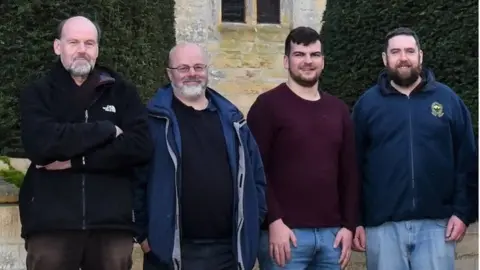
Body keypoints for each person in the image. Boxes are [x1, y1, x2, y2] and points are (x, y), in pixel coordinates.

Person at [19, 16, 153, 270]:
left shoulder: (122, 91)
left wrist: (75, 160)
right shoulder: (38, 93)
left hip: (111, 225)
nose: (82, 49)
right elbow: (41, 145)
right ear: (58, 47)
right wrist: (105, 129)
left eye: (89, 43)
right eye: (74, 42)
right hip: (51, 224)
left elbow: (140, 146)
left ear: (97, 49)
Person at [351, 27, 477, 270]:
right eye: (395, 51)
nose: (403, 57)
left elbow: (467, 161)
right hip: (383, 228)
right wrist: (355, 219)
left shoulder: (448, 100)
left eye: (410, 51)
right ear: (385, 58)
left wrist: (463, 213)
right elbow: (353, 165)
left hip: (437, 226)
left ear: (421, 55)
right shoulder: (367, 105)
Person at [133, 42, 267, 270]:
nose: (192, 74)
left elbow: (257, 178)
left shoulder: (234, 121)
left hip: (228, 253)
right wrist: (143, 235)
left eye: (198, 67)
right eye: (183, 68)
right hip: (171, 253)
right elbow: (135, 179)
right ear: (169, 73)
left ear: (207, 70)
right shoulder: (153, 122)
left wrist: (253, 223)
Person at [246, 26, 360, 270]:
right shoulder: (267, 106)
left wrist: (349, 225)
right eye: (300, 54)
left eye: (314, 55)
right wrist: (273, 220)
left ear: (323, 61)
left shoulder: (338, 110)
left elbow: (349, 172)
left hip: (332, 238)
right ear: (286, 61)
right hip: (285, 236)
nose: (308, 61)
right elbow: (254, 170)